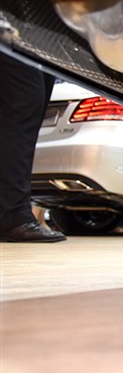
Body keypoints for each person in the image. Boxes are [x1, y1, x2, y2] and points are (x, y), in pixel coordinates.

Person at [0, 51, 66, 242]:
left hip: (43, 41)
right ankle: (13, 217)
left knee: (32, 104)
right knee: (24, 103)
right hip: (14, 35)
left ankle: (12, 214)